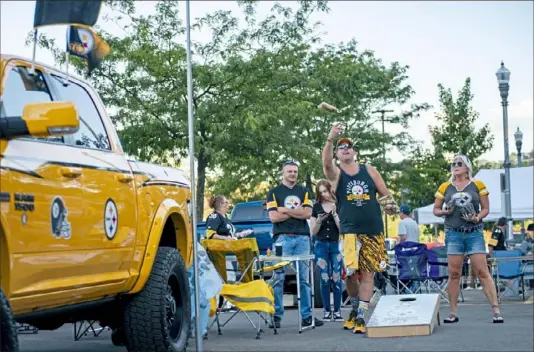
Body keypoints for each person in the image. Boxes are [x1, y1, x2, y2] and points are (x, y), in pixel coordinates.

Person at [321, 122, 398, 334]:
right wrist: (331, 138)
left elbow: (384, 193)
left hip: (373, 229)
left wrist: (390, 206)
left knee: (368, 272)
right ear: (337, 153)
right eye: (341, 147)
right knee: (349, 273)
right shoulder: (336, 175)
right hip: (349, 232)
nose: (346, 149)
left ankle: (362, 315)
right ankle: (355, 308)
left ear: (354, 152)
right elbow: (326, 164)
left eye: (349, 146)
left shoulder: (370, 171)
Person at [433, 154, 503, 323]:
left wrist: (477, 217)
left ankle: (495, 309)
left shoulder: (477, 185)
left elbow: (486, 208)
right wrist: (444, 212)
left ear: (467, 167)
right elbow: (436, 209)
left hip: (474, 232)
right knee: (454, 273)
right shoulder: (445, 187)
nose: (455, 166)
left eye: (459, 163)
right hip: (453, 232)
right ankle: (453, 312)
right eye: (453, 163)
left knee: (482, 271)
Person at [266, 160, 324, 329]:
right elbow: (273, 217)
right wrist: (295, 213)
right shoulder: (274, 192)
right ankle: (276, 316)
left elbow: (307, 213)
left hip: (302, 239)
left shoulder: (304, 191)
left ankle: (307, 316)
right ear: (283, 173)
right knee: (278, 278)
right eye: (289, 171)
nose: (293, 174)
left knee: (305, 280)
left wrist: (284, 210)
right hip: (282, 239)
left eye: (295, 171)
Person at [310, 179, 343, 321]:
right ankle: (326, 310)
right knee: (324, 278)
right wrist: (319, 220)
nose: (325, 194)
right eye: (322, 192)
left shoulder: (339, 205)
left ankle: (337, 310)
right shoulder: (316, 207)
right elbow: (313, 231)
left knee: (336, 277)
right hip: (321, 245)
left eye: (326, 190)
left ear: (331, 190)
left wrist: (335, 214)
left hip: (336, 244)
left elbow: (343, 229)